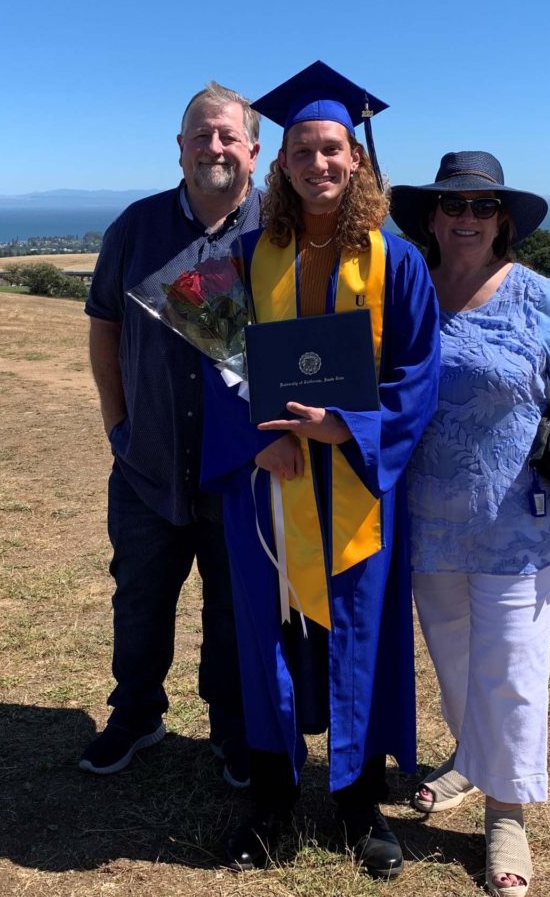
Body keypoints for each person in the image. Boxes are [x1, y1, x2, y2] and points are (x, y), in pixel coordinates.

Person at [201, 61, 440, 879]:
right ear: (283, 164)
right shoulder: (245, 252)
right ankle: (270, 795)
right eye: (304, 151)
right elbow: (219, 357)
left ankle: (358, 802)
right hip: (267, 480)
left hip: (356, 484)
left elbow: (417, 373)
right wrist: (250, 436)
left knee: (360, 635)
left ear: (357, 159)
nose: (320, 164)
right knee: (265, 630)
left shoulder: (397, 261)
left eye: (333, 149)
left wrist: (347, 426)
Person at [390, 152, 550, 897]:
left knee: (513, 670)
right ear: (431, 219)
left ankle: (508, 811)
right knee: (457, 661)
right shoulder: (408, 292)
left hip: (517, 520)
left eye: (483, 207)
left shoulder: (535, 295)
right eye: (453, 206)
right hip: (426, 520)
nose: (467, 218)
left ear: (501, 222)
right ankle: (471, 757)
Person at [81, 82, 262, 787]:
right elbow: (104, 326)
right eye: (200, 135)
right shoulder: (135, 227)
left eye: (227, 136)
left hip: (242, 468)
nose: (213, 147)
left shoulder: (280, 230)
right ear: (179, 147)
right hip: (147, 461)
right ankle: (135, 713)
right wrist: (117, 425)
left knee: (232, 602)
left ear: (253, 149)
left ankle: (232, 727)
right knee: (141, 596)